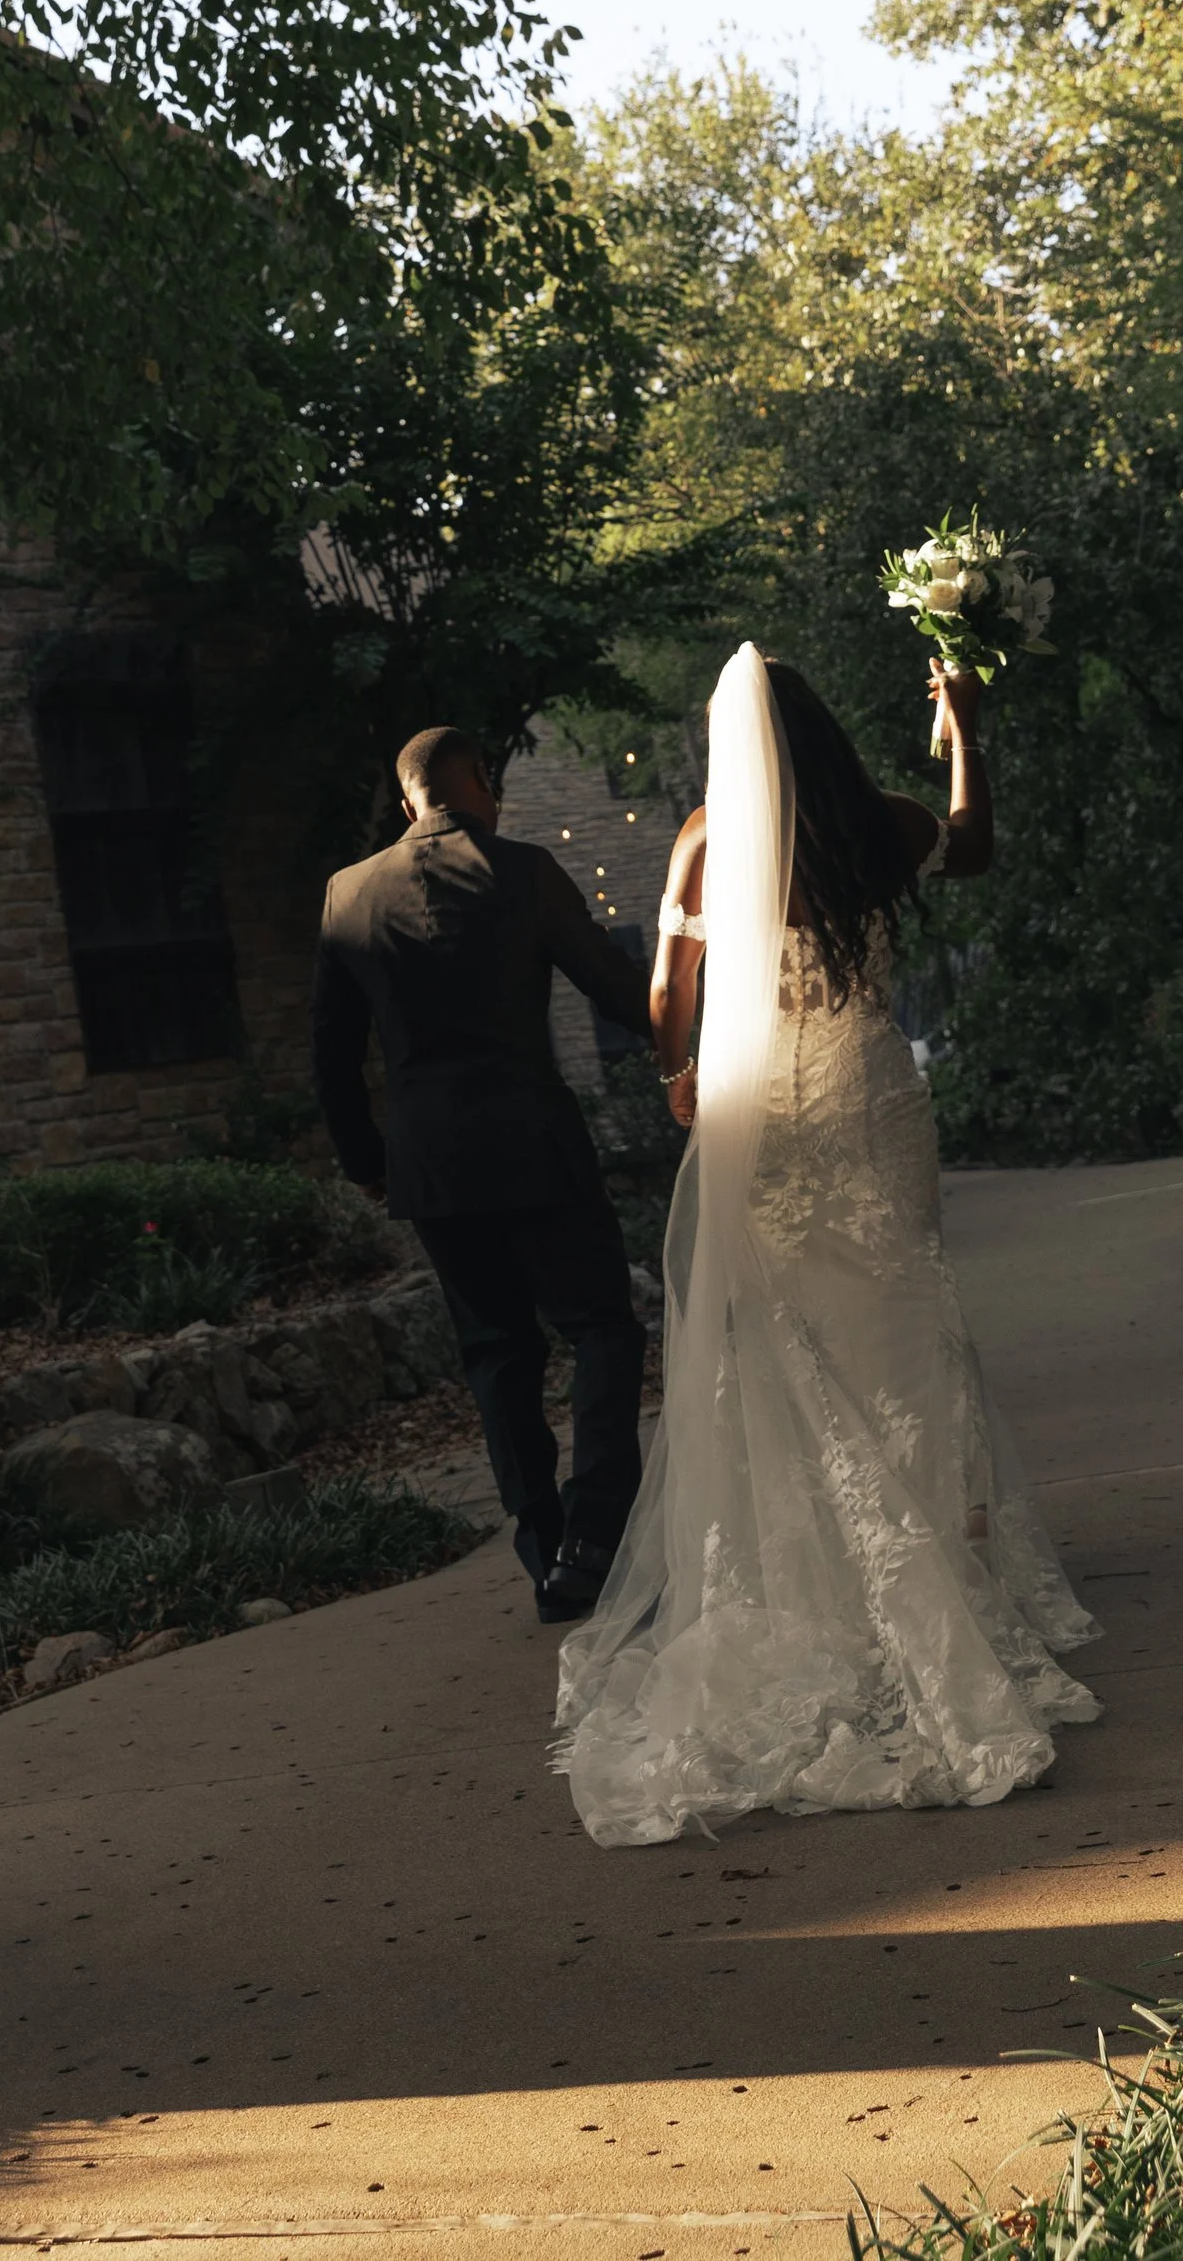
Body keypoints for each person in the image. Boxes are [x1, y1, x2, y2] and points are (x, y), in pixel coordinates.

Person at [552, 644, 1100, 1846]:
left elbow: (664, 992)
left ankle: (838, 1578)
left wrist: (681, 1075)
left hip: (772, 1109)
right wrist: (960, 724)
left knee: (789, 1342)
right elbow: (975, 841)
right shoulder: (880, 818)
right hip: (873, 1092)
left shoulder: (707, 838)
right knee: (908, 1322)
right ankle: (947, 1567)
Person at [312, 724, 653, 1625]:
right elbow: (617, 991)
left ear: (407, 797)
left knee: (497, 1353)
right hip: (534, 1143)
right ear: (477, 783)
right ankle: (595, 1534)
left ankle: (545, 1553)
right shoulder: (525, 871)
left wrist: (368, 1166)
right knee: (603, 1330)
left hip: (431, 1165)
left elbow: (333, 1058)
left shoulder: (348, 894)